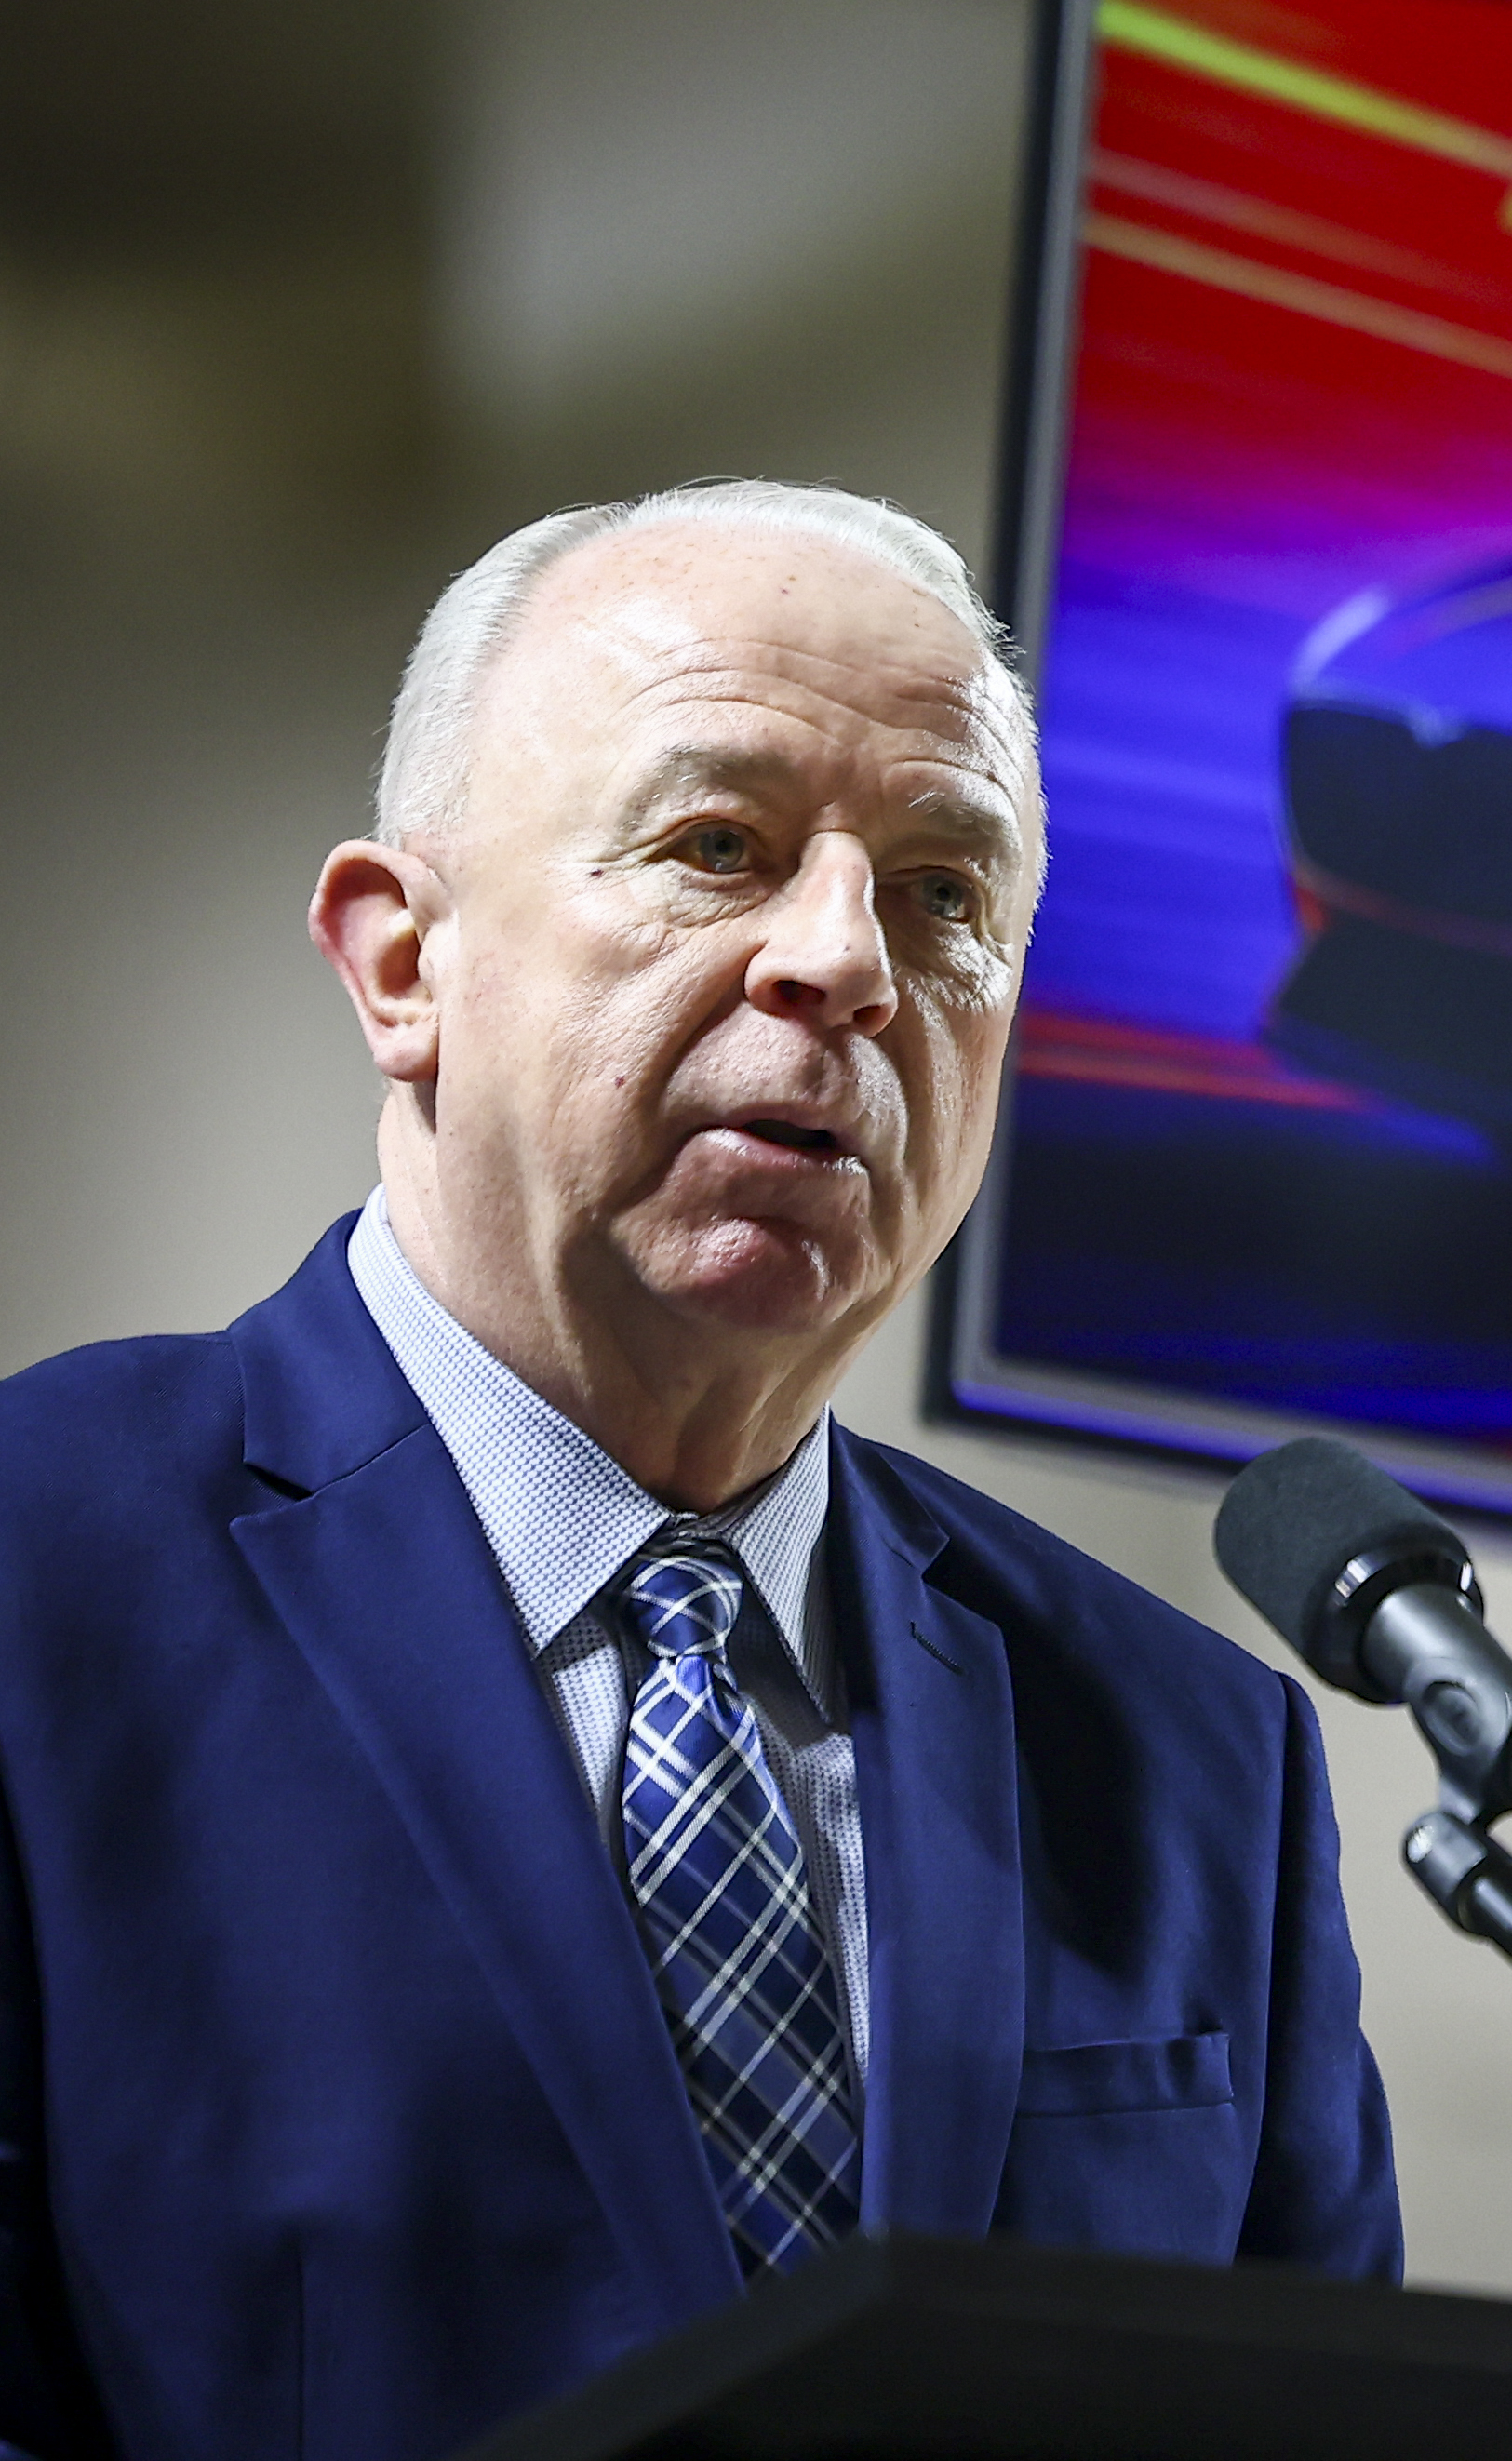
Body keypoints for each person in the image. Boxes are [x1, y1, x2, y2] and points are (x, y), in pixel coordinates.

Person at [0, 482, 1397, 2461]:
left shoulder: (1192, 1759)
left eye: (943, 897)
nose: (843, 962)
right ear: (402, 963)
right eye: (715, 846)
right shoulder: (34, 1581)